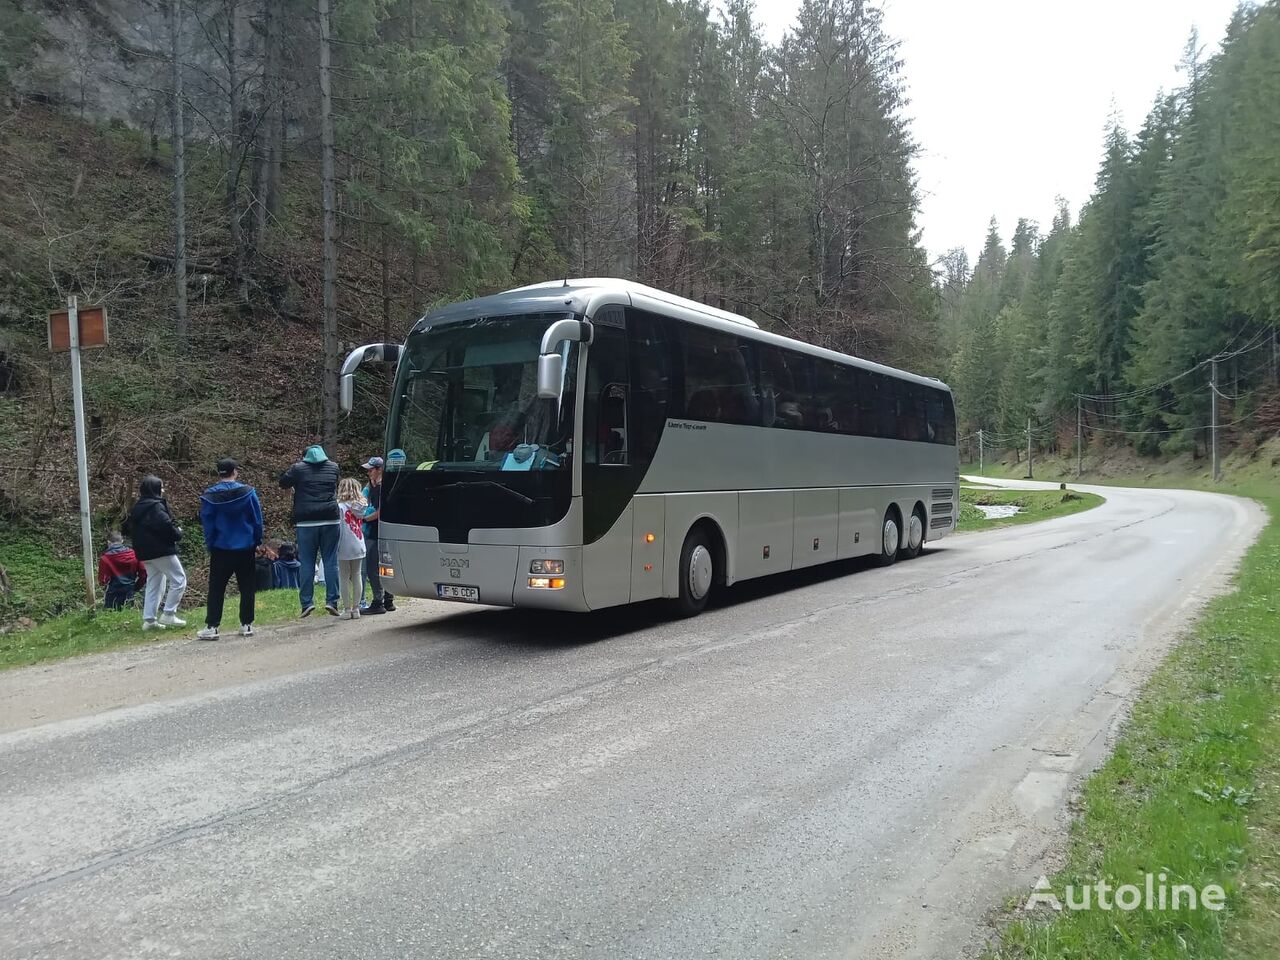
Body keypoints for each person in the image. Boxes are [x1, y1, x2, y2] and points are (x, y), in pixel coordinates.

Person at [196, 458, 264, 641]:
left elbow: (208, 524)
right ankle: (247, 624)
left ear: (219, 473)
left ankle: (212, 626)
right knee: (247, 586)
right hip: (245, 546)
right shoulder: (248, 493)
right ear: (235, 471)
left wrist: (210, 544)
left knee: (217, 588)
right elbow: (257, 519)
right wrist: (257, 540)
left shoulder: (210, 496)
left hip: (221, 547)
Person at [279, 445, 341, 616]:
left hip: (306, 521)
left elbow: (282, 482)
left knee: (306, 562)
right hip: (331, 519)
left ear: (304, 456)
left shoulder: (298, 468)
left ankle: (307, 603)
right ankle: (332, 601)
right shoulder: (334, 467)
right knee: (331, 560)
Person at [123, 475, 187, 630]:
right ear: (156, 489)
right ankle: (169, 614)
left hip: (144, 553)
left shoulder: (137, 507)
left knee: (154, 583)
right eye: (161, 487)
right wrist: (177, 533)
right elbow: (165, 526)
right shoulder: (155, 507)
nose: (163, 489)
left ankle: (149, 620)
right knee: (179, 580)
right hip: (161, 550)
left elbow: (128, 530)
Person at [360, 456, 395, 614]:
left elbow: (383, 510)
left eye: (371, 469)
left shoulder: (384, 487)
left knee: (375, 567)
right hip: (377, 531)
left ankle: (378, 601)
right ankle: (388, 600)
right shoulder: (371, 486)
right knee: (383, 566)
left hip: (376, 531)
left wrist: (365, 519)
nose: (368, 472)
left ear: (380, 469)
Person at [336, 478, 368, 620]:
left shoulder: (339, 506)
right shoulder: (361, 506)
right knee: (357, 575)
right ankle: (356, 608)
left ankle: (347, 609)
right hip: (358, 541)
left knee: (343, 576)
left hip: (343, 543)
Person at [98, 531, 145, 610]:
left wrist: (104, 585)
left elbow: (103, 580)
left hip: (113, 593)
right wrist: (136, 587)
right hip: (129, 591)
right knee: (128, 615)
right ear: (122, 541)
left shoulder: (105, 558)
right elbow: (144, 574)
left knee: (110, 615)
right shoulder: (135, 554)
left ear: (108, 542)